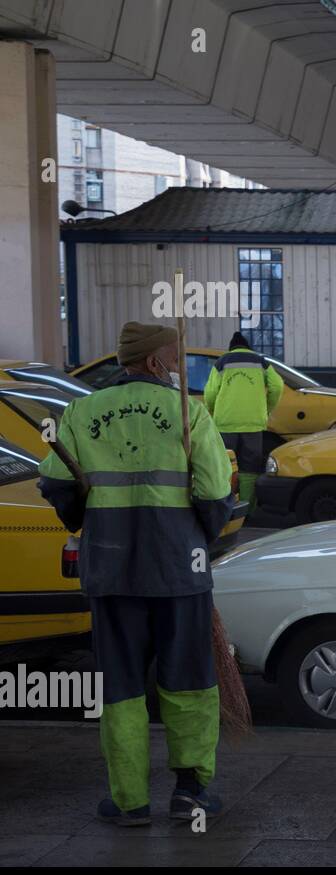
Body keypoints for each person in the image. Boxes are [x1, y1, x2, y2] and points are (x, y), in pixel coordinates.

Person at [38, 321, 235, 825]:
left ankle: (129, 802)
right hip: (178, 572)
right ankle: (190, 793)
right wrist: (199, 537)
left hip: (112, 570)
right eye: (172, 359)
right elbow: (215, 493)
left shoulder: (82, 411)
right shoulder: (188, 412)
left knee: (121, 688)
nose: (175, 368)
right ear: (152, 362)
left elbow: (57, 485)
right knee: (190, 682)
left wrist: (83, 516)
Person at [203, 331, 283, 511]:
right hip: (252, 425)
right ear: (248, 347)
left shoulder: (222, 362)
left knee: (225, 465)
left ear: (231, 348)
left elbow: (210, 392)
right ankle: (247, 509)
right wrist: (267, 409)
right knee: (250, 467)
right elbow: (277, 386)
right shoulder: (260, 361)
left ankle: (225, 506)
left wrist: (213, 410)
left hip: (225, 423)